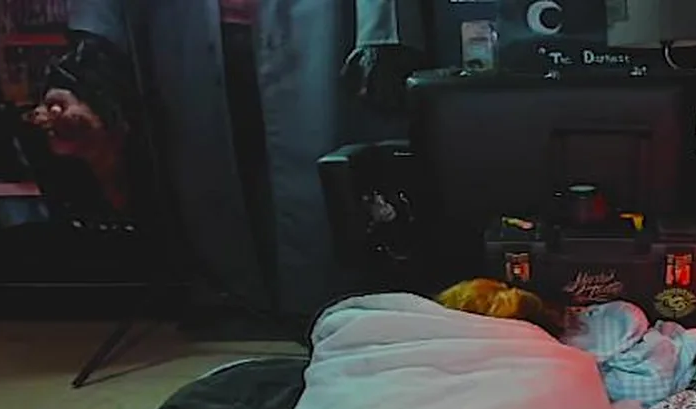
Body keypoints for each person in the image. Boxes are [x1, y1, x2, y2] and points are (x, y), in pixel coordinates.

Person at [29, 0, 430, 320]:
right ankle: (231, 303)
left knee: (319, 165)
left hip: (318, 26)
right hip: (183, 29)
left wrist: (382, 32)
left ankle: (334, 303)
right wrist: (90, 68)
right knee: (206, 174)